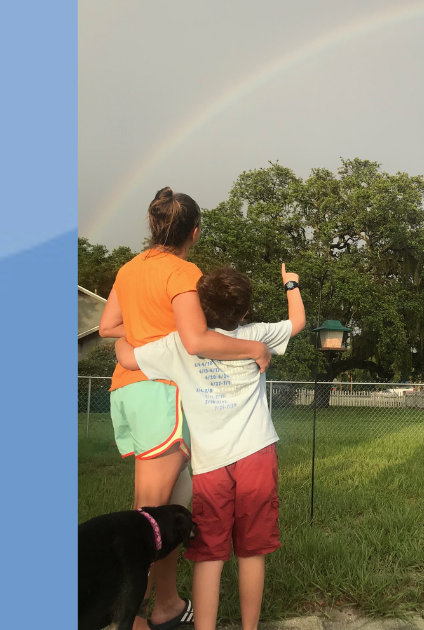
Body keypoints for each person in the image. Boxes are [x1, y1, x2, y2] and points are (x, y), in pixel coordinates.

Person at [97, 188, 273, 630]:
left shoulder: (128, 268)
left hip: (129, 391)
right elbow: (196, 340)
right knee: (150, 513)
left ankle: (169, 602)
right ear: (193, 232)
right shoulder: (182, 272)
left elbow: (107, 327)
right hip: (161, 392)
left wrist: (131, 341)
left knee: (170, 505)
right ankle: (132, 613)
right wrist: (253, 345)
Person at [114, 263, 306, 630]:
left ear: (200, 305)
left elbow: (126, 358)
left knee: (209, 555)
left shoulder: (177, 344)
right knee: (252, 551)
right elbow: (296, 321)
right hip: (257, 455)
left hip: (210, 465)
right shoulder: (258, 335)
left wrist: (124, 334)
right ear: (245, 311)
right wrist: (290, 283)